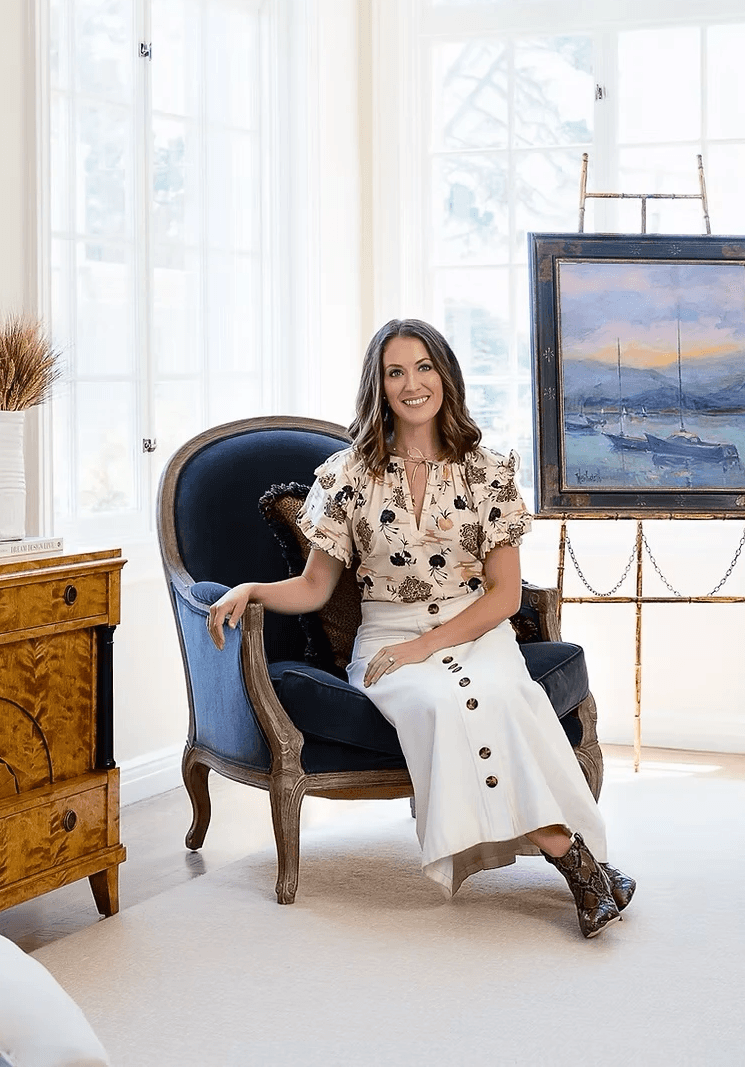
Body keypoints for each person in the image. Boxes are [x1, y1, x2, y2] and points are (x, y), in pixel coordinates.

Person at [207, 318, 635, 938]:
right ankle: (580, 864)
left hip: (475, 629)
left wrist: (426, 645)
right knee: (440, 702)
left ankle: (579, 865)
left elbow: (506, 595)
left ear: (446, 375)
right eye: (396, 372)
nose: (412, 384)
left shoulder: (488, 472)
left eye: (424, 367)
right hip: (384, 640)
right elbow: (314, 587)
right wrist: (250, 590)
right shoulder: (344, 475)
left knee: (509, 695)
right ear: (378, 386)